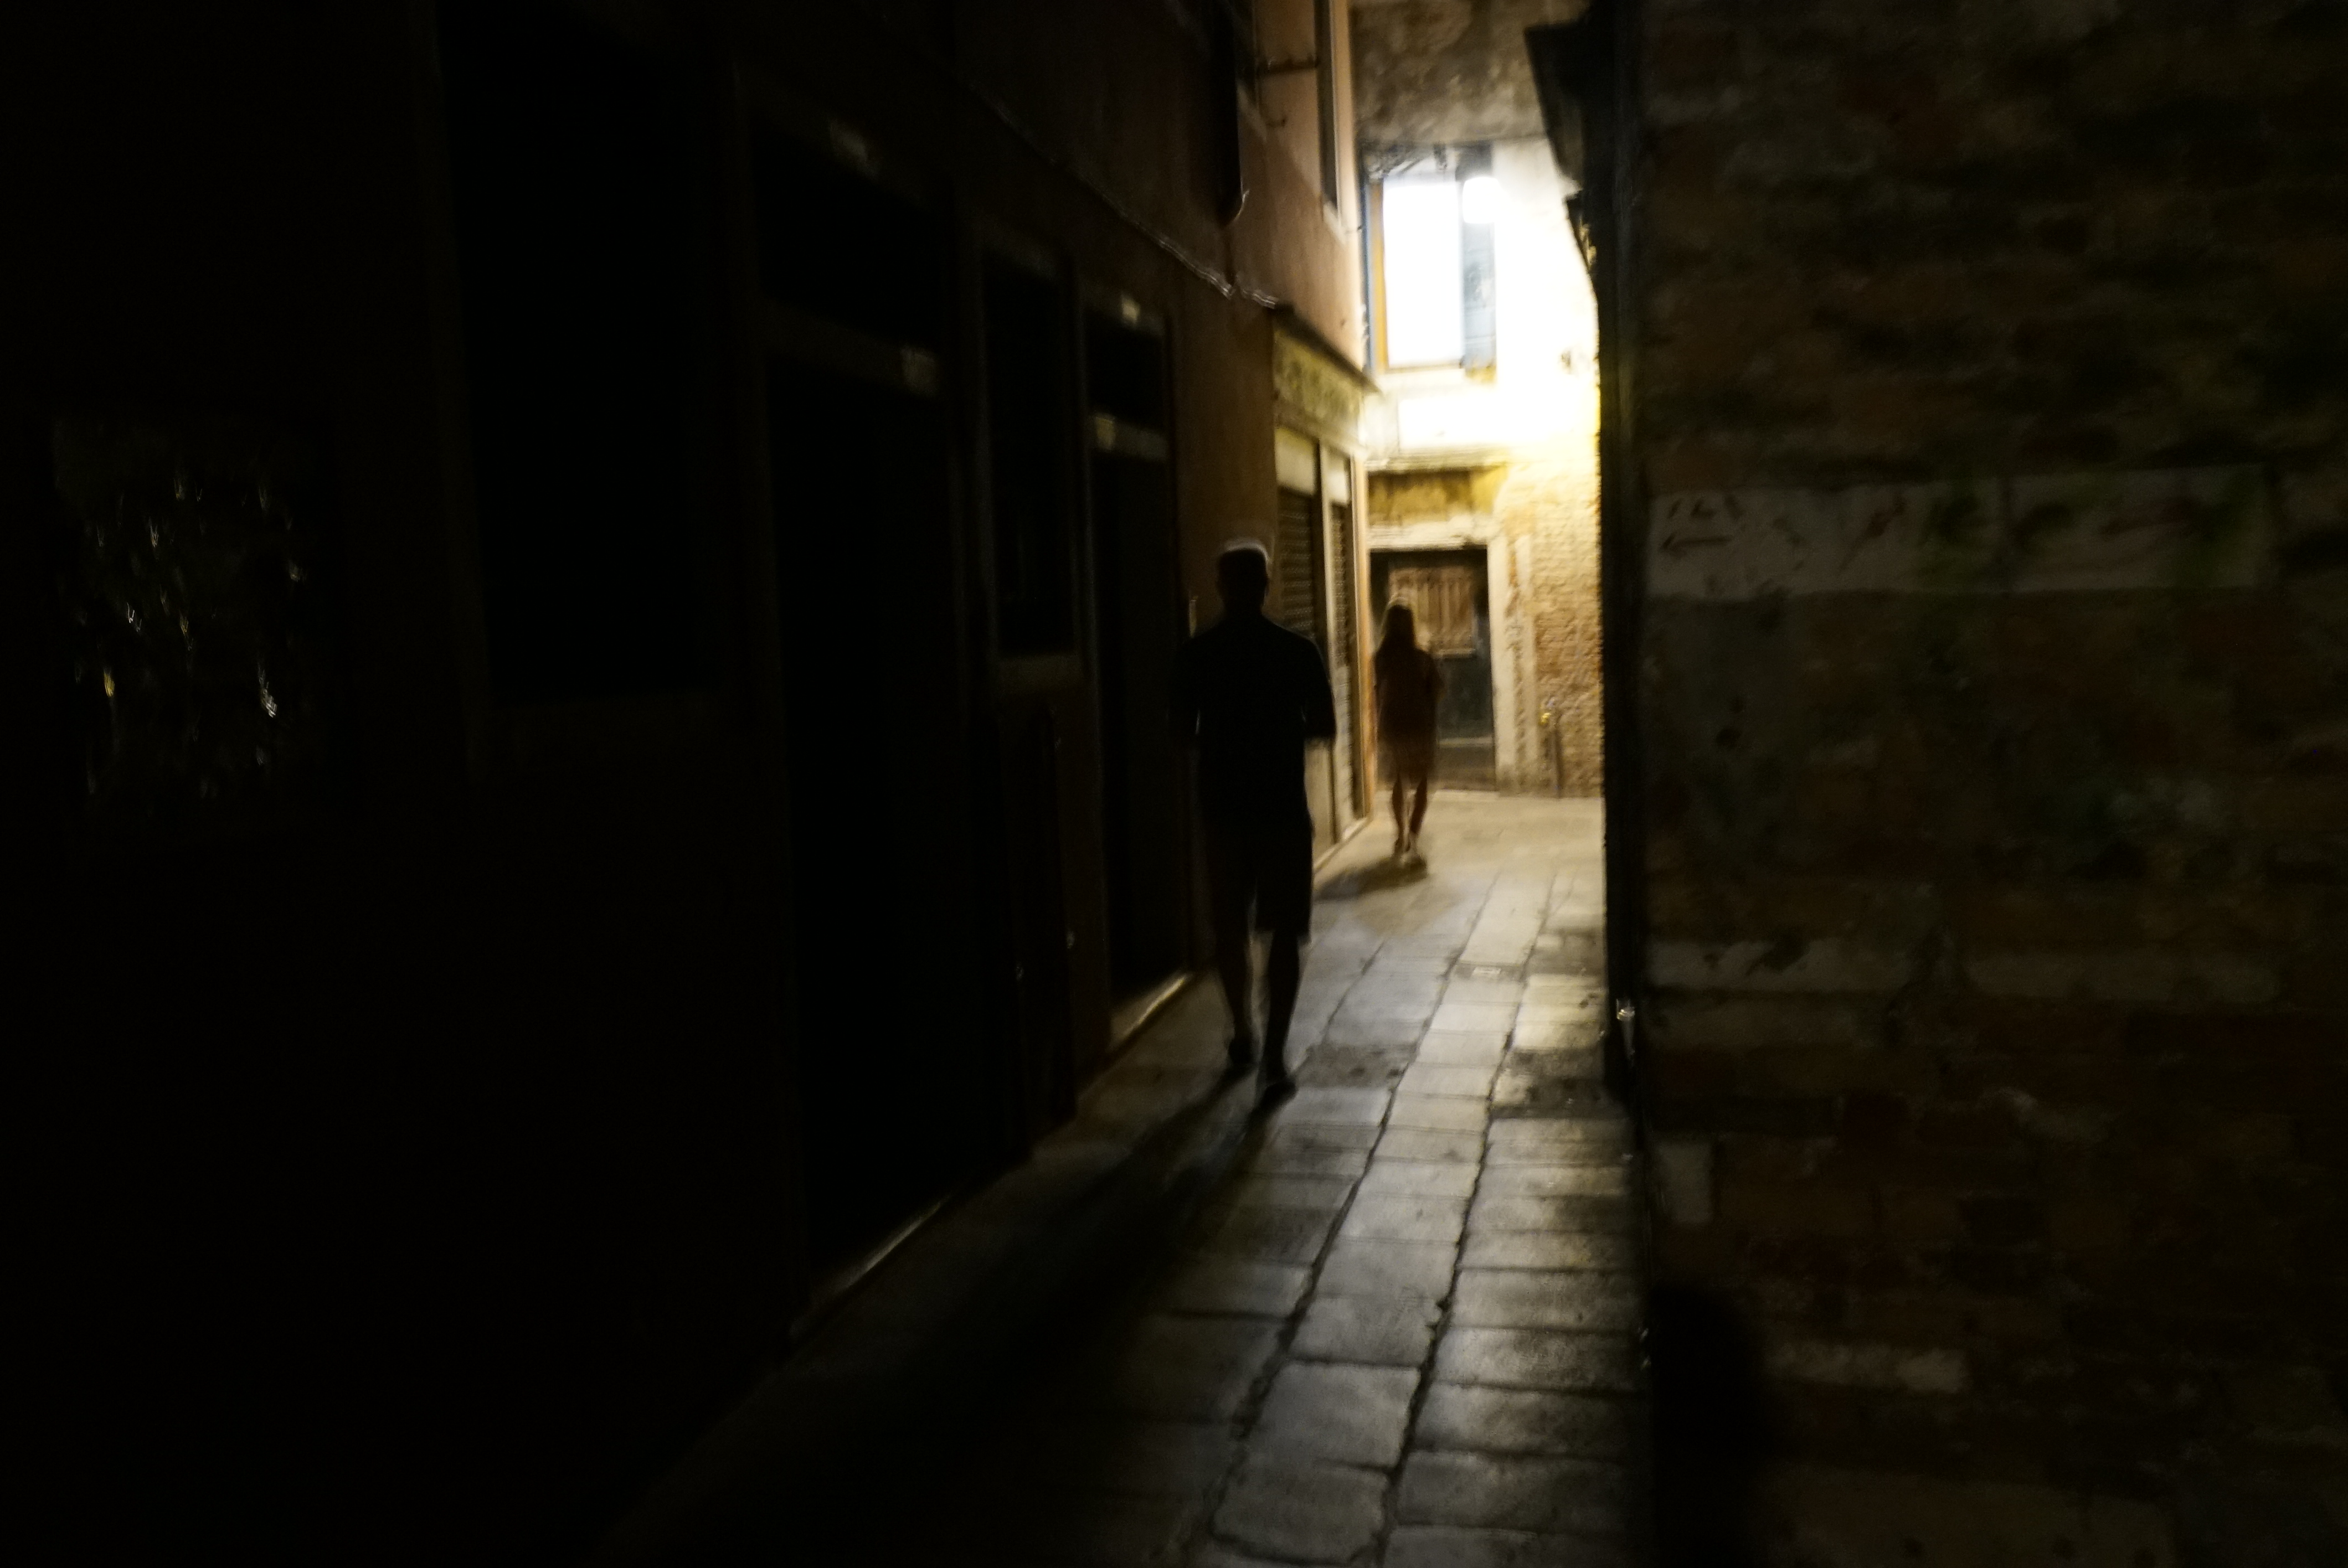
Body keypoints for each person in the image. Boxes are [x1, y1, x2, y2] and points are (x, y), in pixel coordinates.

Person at [1170, 541, 1337, 1107]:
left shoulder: (1197, 654)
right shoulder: (1298, 651)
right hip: (1282, 810)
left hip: (1222, 809)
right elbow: (1324, 727)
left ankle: (1243, 1029)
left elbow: (1180, 734)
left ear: (1220, 587)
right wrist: (1277, 731)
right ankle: (1273, 1059)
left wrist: (1225, 738)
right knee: (1283, 931)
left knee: (1230, 927)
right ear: (1268, 584)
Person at [1373, 600, 1442, 860]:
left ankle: (1400, 833)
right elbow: (1438, 690)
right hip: (1420, 724)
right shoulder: (1422, 658)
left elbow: (1379, 692)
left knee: (1398, 779)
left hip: (1393, 725)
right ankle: (1413, 835)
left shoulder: (1381, 659)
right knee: (1422, 781)